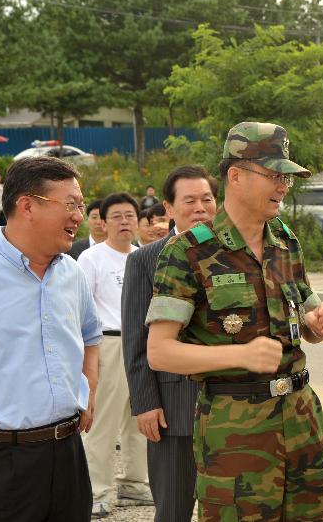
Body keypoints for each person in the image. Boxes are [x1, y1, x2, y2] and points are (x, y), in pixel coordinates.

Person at [145, 121, 323, 521]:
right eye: (272, 175)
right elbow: (160, 352)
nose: (283, 185)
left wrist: (319, 323)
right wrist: (242, 355)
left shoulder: (285, 241)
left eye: (286, 176)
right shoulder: (188, 252)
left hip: (302, 420)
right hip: (237, 431)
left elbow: (307, 316)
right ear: (235, 176)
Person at [0, 156, 102, 521]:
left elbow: (91, 336)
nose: (79, 216)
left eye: (81, 205)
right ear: (27, 206)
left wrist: (89, 390)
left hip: (68, 454)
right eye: (71, 204)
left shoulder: (72, 273)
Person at [122, 165, 218, 522]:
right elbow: (135, 339)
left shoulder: (233, 253)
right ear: (168, 207)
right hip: (171, 407)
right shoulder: (145, 259)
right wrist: (145, 403)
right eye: (189, 200)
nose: (200, 208)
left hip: (230, 403)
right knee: (173, 510)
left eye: (207, 199)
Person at [77, 192, 151, 518]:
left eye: (129, 216)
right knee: (103, 423)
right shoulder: (91, 259)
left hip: (143, 346)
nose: (124, 222)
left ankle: (134, 484)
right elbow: (80, 309)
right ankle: (98, 492)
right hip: (107, 345)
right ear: (103, 222)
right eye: (117, 216)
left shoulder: (143, 256)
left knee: (141, 420)